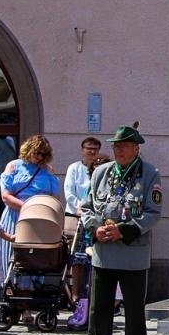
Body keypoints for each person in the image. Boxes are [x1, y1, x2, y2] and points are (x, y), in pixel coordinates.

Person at [76, 124, 162, 335]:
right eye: (116, 146)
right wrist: (96, 227)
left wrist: (122, 230)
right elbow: (87, 207)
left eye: (124, 146)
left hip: (132, 250)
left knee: (134, 306)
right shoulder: (101, 172)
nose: (119, 151)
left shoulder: (149, 173)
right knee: (99, 304)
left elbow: (153, 212)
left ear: (136, 148)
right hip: (104, 250)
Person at [0, 136, 61, 275]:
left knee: (36, 255)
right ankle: (9, 286)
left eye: (43, 154)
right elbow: (6, 196)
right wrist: (28, 208)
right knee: (13, 253)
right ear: (28, 149)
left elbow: (55, 198)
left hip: (40, 215)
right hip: (16, 213)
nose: (39, 157)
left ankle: (33, 288)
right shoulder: (13, 165)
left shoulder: (48, 169)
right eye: (36, 152)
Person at [63, 137, 102, 319]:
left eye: (95, 149)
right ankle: (75, 294)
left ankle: (91, 296)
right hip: (75, 217)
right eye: (89, 148)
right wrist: (80, 208)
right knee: (76, 259)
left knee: (91, 259)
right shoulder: (74, 168)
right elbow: (69, 192)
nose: (92, 152)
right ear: (82, 150)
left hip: (93, 220)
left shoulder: (101, 170)